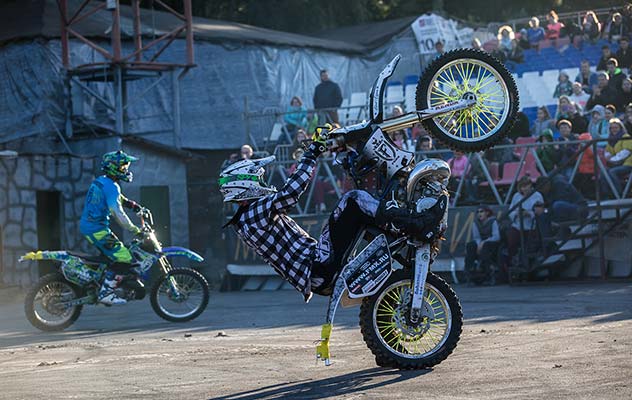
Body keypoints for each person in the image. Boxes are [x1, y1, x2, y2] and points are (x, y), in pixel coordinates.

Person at [218, 126, 447, 301]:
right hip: (318, 265)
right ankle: (417, 223)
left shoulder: (246, 219)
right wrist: (311, 154)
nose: (264, 182)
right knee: (352, 200)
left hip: (317, 271)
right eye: (258, 179)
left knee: (356, 215)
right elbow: (290, 193)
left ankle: (400, 234)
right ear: (246, 185)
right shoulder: (253, 214)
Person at [79, 151, 143, 305]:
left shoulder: (102, 181)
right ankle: (106, 293)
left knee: (112, 257)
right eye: (123, 166)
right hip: (97, 230)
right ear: (113, 167)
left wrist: (133, 206)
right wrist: (135, 230)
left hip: (90, 226)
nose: (126, 169)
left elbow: (117, 199)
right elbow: (117, 212)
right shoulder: (112, 186)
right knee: (124, 257)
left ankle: (102, 283)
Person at [507, 176, 544, 268]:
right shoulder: (516, 196)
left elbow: (540, 212)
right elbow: (510, 211)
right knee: (511, 240)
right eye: (522, 187)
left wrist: (529, 213)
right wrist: (516, 214)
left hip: (532, 226)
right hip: (518, 225)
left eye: (526, 186)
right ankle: (513, 260)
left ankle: (531, 263)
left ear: (530, 185)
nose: (524, 189)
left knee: (530, 244)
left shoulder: (537, 196)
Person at [464, 205, 500, 286]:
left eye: (481, 212)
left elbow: (496, 236)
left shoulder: (493, 221)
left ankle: (487, 272)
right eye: (478, 212)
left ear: (487, 213)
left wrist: (483, 243)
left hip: (491, 243)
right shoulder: (476, 223)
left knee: (485, 246)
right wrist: (479, 244)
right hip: (481, 243)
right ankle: (470, 270)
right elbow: (476, 237)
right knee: (470, 245)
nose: (479, 214)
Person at [601, 118, 632, 198]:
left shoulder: (626, 137)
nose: (613, 130)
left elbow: (626, 151)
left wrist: (612, 159)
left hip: (628, 163)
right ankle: (606, 194)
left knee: (612, 172)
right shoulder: (610, 139)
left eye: (616, 128)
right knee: (603, 171)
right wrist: (609, 157)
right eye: (612, 128)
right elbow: (607, 152)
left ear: (620, 128)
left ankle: (619, 194)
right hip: (616, 163)